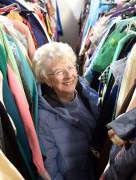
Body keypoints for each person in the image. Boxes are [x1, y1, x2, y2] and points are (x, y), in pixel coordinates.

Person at [33, 42, 99, 180]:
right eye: (59, 72)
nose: (68, 75)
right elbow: (49, 171)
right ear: (47, 80)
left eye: (70, 67)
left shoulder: (88, 95)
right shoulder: (44, 119)